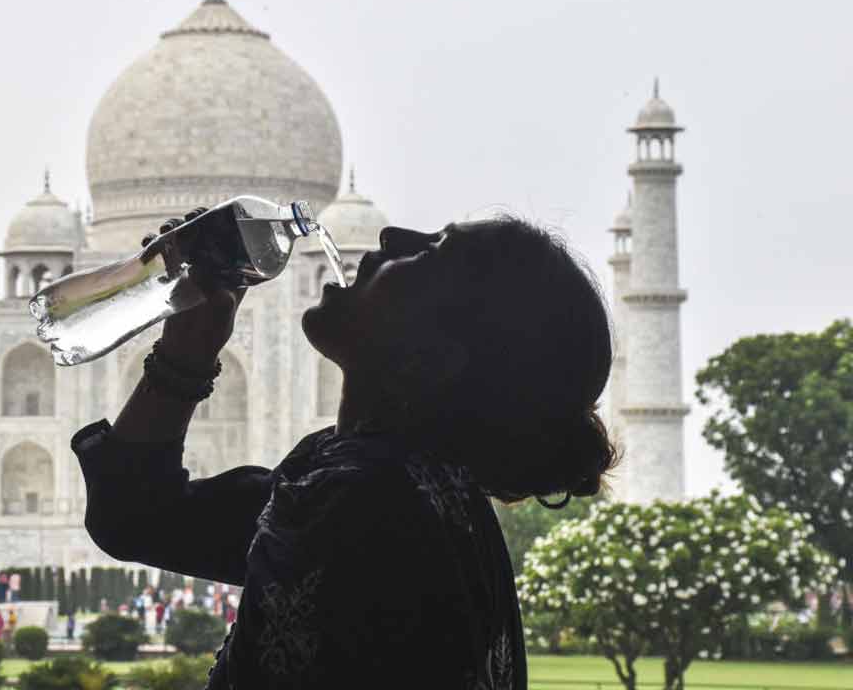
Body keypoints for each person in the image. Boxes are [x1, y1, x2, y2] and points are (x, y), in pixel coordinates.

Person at [76, 216, 618, 688]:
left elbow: (132, 519)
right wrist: (187, 350)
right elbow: (134, 519)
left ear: (439, 355)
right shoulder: (392, 487)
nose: (391, 235)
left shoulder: (365, 501)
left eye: (431, 251)